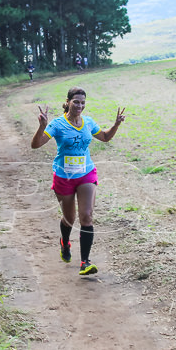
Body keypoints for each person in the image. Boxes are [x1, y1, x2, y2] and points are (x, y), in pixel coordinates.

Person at [31, 87, 126, 276]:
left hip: (86, 174)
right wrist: (42, 126)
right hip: (64, 177)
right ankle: (65, 243)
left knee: (87, 216)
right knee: (69, 219)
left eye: (83, 102)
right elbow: (36, 145)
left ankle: (85, 262)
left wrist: (116, 125)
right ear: (68, 102)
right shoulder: (57, 124)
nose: (80, 106)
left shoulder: (88, 122)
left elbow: (105, 137)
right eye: (76, 102)